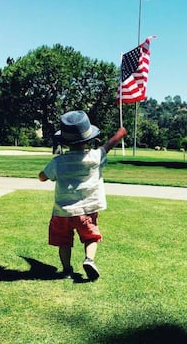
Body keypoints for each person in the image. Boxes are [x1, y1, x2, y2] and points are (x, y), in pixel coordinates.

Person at [39, 110, 127, 281]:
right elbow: (108, 146)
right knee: (90, 237)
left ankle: (66, 269)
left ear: (64, 141)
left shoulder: (58, 162)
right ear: (89, 139)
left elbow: (43, 177)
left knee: (64, 242)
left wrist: (41, 175)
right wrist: (120, 134)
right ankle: (89, 259)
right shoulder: (95, 157)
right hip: (87, 210)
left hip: (62, 212)